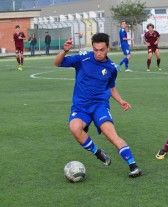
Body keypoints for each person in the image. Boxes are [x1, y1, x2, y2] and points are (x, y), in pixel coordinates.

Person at [54, 33, 142, 178]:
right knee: (75, 129)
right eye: (95, 49)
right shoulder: (83, 58)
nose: (98, 53)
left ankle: (133, 166)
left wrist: (120, 100)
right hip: (81, 106)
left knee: (111, 135)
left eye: (102, 49)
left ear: (108, 48)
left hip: (100, 106)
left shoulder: (112, 68)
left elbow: (111, 87)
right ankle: (98, 153)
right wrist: (65, 50)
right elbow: (57, 63)